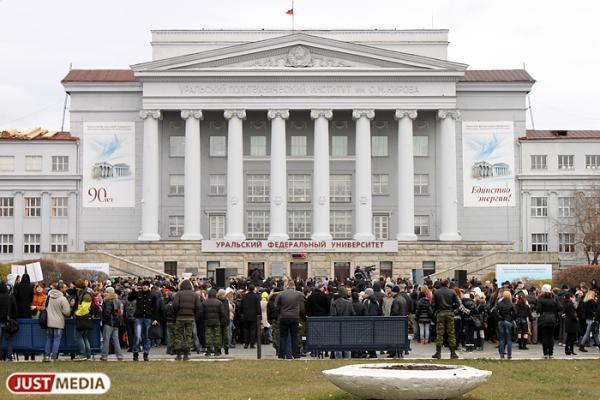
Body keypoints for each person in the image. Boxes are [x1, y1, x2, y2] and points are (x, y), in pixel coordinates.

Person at [128, 280, 160, 361]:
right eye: (143, 285)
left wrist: (155, 319)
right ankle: (135, 353)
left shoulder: (153, 295)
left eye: (146, 285)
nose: (144, 286)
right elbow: (129, 298)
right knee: (137, 335)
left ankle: (146, 354)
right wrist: (133, 292)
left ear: (149, 286)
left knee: (147, 337)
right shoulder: (138, 293)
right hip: (139, 317)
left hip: (148, 318)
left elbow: (155, 308)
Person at [275, 280, 305, 359]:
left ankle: (281, 355)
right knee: (294, 336)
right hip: (294, 317)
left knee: (283, 337)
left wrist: (280, 312)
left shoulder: (281, 294)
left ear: (287, 285)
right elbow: (302, 307)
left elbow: (276, 306)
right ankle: (295, 354)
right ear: (294, 286)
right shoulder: (299, 294)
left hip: (284, 317)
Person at [172, 279, 201, 360]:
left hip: (180, 317)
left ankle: (178, 354)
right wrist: (193, 313)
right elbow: (198, 307)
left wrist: (177, 312)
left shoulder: (179, 294)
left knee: (179, 335)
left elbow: (175, 305)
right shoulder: (194, 295)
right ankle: (186, 354)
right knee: (188, 335)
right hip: (190, 317)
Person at [431, 279, 460, 360]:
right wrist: (453, 309)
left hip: (440, 313)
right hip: (450, 313)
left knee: (439, 333)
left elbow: (432, 305)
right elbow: (458, 304)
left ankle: (438, 353)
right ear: (448, 284)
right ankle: (453, 353)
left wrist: (435, 312)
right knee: (451, 333)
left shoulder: (436, 292)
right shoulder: (452, 292)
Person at [43, 283, 71, 362]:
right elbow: (66, 312)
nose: (66, 288)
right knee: (56, 340)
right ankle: (53, 357)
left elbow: (45, 307)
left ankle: (46, 356)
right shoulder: (63, 299)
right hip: (58, 322)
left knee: (48, 339)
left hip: (49, 321)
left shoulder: (49, 296)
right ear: (61, 289)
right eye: (65, 287)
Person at [13, 273, 35, 360]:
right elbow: (31, 298)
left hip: (19, 310)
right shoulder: (30, 286)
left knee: (20, 329)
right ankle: (29, 354)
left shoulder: (18, 286)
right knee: (28, 330)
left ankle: (21, 350)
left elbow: (15, 296)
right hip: (27, 309)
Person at [72, 279, 94, 361]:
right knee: (84, 336)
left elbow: (84, 308)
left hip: (82, 317)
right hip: (85, 317)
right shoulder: (84, 293)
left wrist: (76, 313)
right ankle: (88, 355)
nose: (75, 289)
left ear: (79, 287)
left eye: (76, 287)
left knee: (78, 336)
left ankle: (82, 354)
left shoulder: (86, 295)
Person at [100, 287, 124, 361]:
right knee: (116, 340)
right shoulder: (118, 301)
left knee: (106, 340)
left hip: (108, 323)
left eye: (106, 292)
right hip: (116, 323)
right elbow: (121, 313)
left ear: (109, 292)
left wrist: (103, 319)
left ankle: (104, 356)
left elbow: (107, 313)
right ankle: (119, 355)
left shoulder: (107, 301)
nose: (105, 293)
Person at [537, 284, 560, 359]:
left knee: (544, 337)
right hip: (552, 318)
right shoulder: (555, 298)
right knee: (551, 337)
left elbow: (538, 309)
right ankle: (551, 353)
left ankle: (545, 353)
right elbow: (560, 307)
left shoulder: (540, 298)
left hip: (543, 318)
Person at [200, 288, 224, 356]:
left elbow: (201, 313)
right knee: (217, 336)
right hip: (217, 321)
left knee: (208, 336)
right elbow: (222, 313)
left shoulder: (204, 302)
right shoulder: (219, 302)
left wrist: (205, 319)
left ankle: (208, 351)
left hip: (207, 321)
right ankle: (217, 351)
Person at [494, 290, 517, 359]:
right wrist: (512, 317)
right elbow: (515, 313)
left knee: (502, 338)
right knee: (509, 339)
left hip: (501, 321)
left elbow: (494, 310)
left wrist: (499, 316)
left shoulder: (499, 303)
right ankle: (509, 355)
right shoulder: (511, 304)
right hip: (508, 321)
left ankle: (501, 354)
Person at [0, 281, 17, 361]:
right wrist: (14, 318)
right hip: (8, 321)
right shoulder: (10, 296)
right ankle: (9, 355)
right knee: (9, 340)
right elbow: (14, 309)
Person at [240, 284, 261, 349]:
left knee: (246, 330)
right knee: (253, 330)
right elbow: (258, 307)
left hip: (246, 315)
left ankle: (246, 343)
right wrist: (259, 315)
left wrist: (242, 313)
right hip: (254, 316)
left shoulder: (244, 296)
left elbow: (241, 306)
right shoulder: (256, 296)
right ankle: (252, 344)